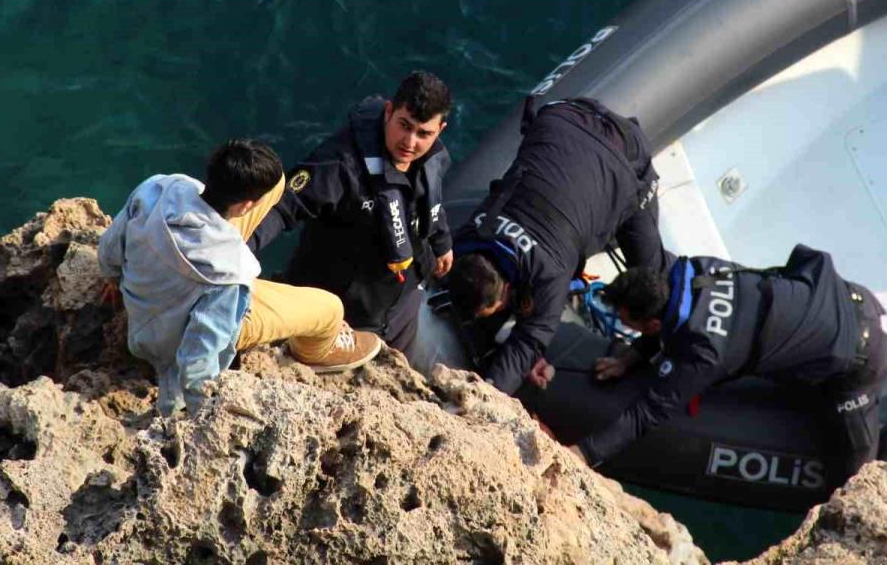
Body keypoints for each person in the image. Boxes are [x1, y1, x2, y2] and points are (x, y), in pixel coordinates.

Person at [572, 246, 887, 487]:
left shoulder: (703, 354)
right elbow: (671, 322)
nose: (628, 329)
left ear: (651, 323)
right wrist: (633, 357)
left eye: (630, 323)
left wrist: (583, 453)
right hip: (845, 296)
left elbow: (646, 413)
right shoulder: (696, 268)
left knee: (865, 481)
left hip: (857, 359)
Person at [97, 138, 382, 416]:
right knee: (330, 308)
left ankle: (222, 235)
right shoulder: (231, 277)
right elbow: (199, 355)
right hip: (163, 342)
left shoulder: (161, 187)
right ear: (246, 206)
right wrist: (193, 409)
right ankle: (315, 353)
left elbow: (111, 243)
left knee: (277, 183)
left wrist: (112, 279)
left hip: (150, 298)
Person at [445, 96, 667, 395]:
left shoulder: (550, 273)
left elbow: (530, 341)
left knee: (652, 283)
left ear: (508, 290)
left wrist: (488, 394)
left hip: (625, 154)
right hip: (566, 114)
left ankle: (648, 350)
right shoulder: (475, 228)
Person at [248, 72, 453, 357]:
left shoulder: (430, 159)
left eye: (423, 134)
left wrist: (442, 242)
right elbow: (283, 208)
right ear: (389, 112)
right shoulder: (340, 164)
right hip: (340, 316)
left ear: (439, 130)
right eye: (404, 125)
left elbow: (430, 202)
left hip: (400, 308)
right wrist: (238, 253)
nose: (409, 141)